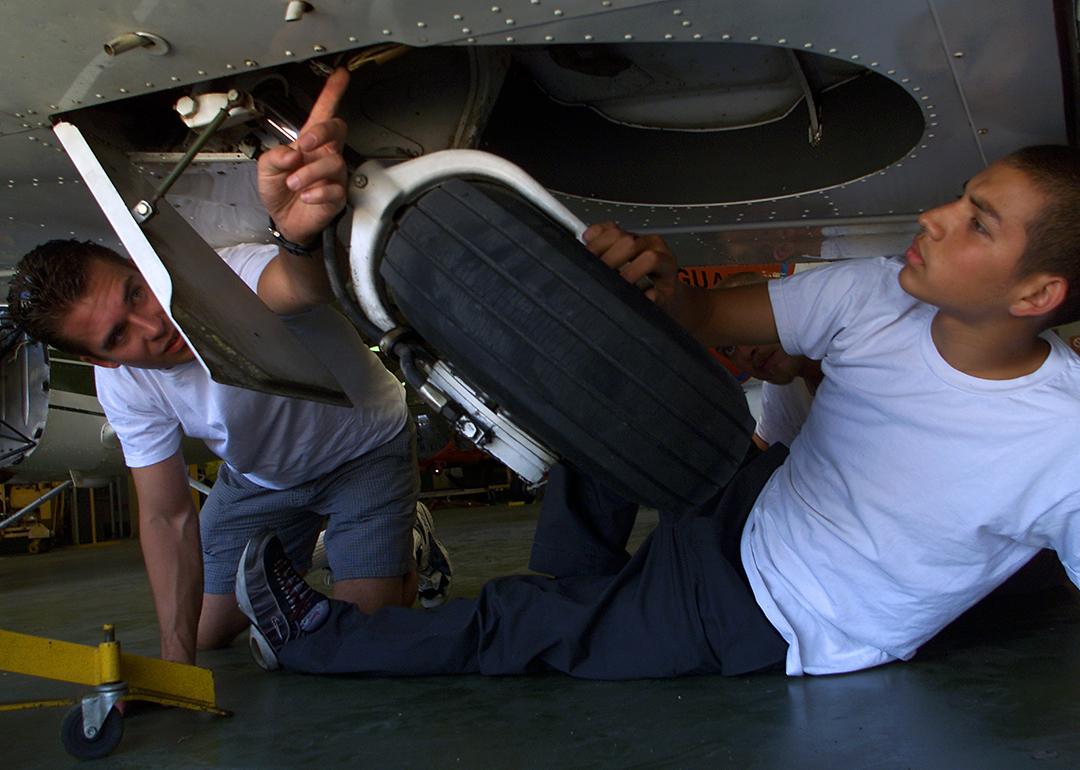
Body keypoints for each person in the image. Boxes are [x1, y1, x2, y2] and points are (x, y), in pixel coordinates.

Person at [234, 144, 1080, 679]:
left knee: (522, 626)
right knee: (605, 418)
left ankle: (313, 640)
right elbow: (699, 320)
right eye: (959, 198)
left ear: (1038, 292)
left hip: (775, 608)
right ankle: (585, 595)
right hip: (755, 496)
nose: (935, 217)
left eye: (976, 223)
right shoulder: (877, 295)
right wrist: (652, 284)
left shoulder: (1063, 444)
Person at [6, 69, 450, 665]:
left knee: (370, 640)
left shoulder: (223, 277)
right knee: (206, 635)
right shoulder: (123, 386)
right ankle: (319, 554)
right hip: (261, 481)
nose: (154, 328)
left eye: (135, 294)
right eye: (119, 336)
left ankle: (408, 540)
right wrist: (174, 662)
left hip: (363, 449)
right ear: (96, 359)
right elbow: (165, 516)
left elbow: (296, 285)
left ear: (139, 266)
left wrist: (296, 239)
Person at [716, 272, 824, 450]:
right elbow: (765, 444)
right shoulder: (782, 385)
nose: (746, 351)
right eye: (729, 349)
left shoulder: (858, 355)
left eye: (747, 323)